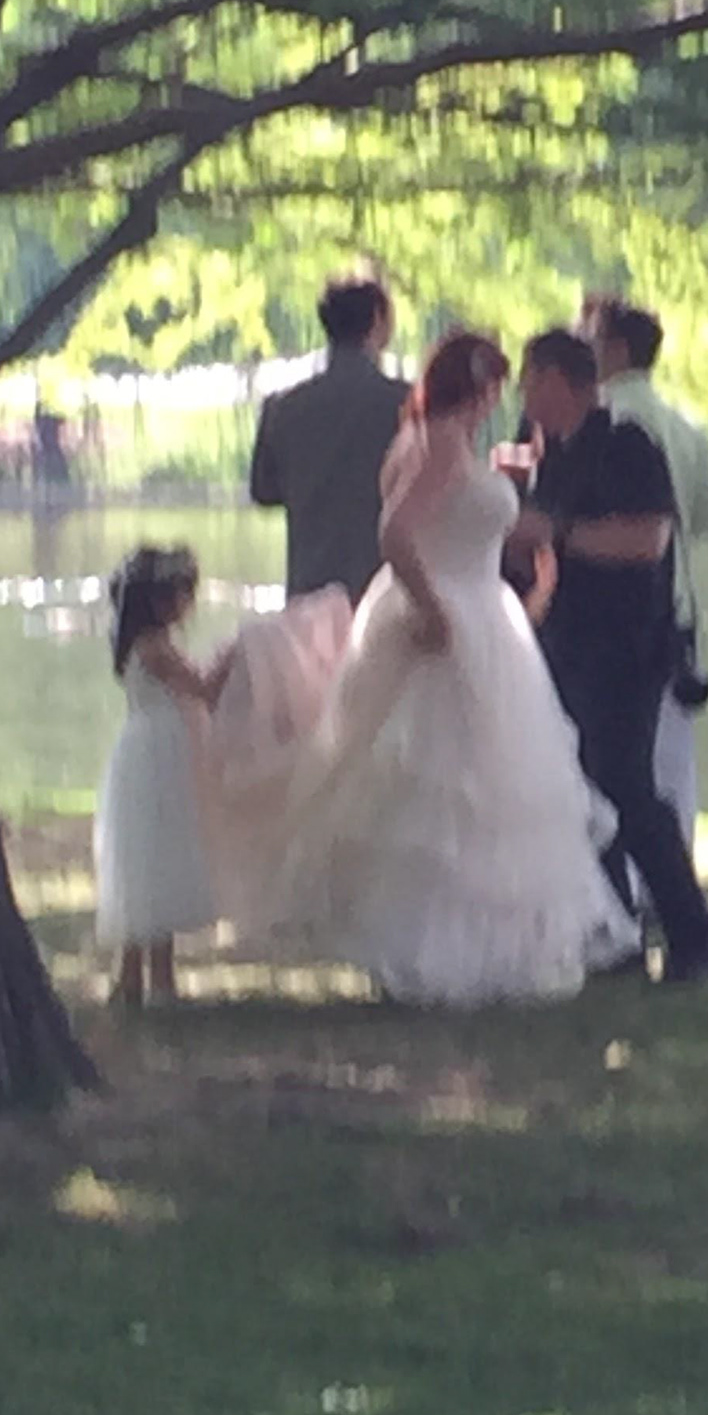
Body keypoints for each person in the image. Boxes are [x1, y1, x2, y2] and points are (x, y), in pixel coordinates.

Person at [254, 331, 638, 1005]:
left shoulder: (437, 442)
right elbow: (397, 532)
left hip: (478, 604)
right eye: (494, 385)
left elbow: (452, 520)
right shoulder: (437, 442)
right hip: (451, 613)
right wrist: (433, 609)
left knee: (476, 785)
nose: (500, 398)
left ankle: (473, 953)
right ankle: (434, 955)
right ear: (478, 387)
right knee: (450, 787)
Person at [519, 328, 708, 983]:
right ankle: (614, 934)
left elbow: (647, 539)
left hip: (626, 646)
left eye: (532, 378)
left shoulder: (626, 444)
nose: (524, 393)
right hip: (569, 643)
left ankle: (693, 931)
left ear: (561, 380)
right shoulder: (555, 453)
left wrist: (558, 533)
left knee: (626, 783)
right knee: (582, 786)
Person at [587, 299, 708, 848]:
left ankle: (628, 873)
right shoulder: (686, 426)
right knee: (673, 755)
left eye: (592, 339)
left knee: (617, 753)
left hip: (619, 610)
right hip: (677, 606)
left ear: (616, 349)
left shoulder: (607, 420)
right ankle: (676, 862)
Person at [93, 545, 232, 1007]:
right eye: (179, 595)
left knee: (146, 864)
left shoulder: (139, 646)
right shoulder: (156, 649)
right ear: (156, 602)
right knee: (156, 860)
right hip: (157, 757)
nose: (186, 606)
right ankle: (157, 978)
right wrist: (234, 653)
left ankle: (135, 976)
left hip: (144, 751)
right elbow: (204, 688)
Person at [250, 277, 409, 603]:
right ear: (378, 320)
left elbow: (263, 492)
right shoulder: (406, 406)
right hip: (382, 595)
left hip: (308, 591)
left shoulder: (282, 408)